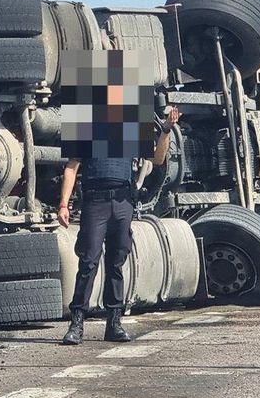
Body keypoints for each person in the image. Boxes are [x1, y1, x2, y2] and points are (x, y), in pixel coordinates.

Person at [57, 102, 180, 345]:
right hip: (96, 201)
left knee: (116, 263)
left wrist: (166, 130)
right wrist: (63, 203)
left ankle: (114, 324)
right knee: (88, 262)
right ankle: (76, 324)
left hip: (123, 202)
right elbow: (71, 167)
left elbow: (157, 158)